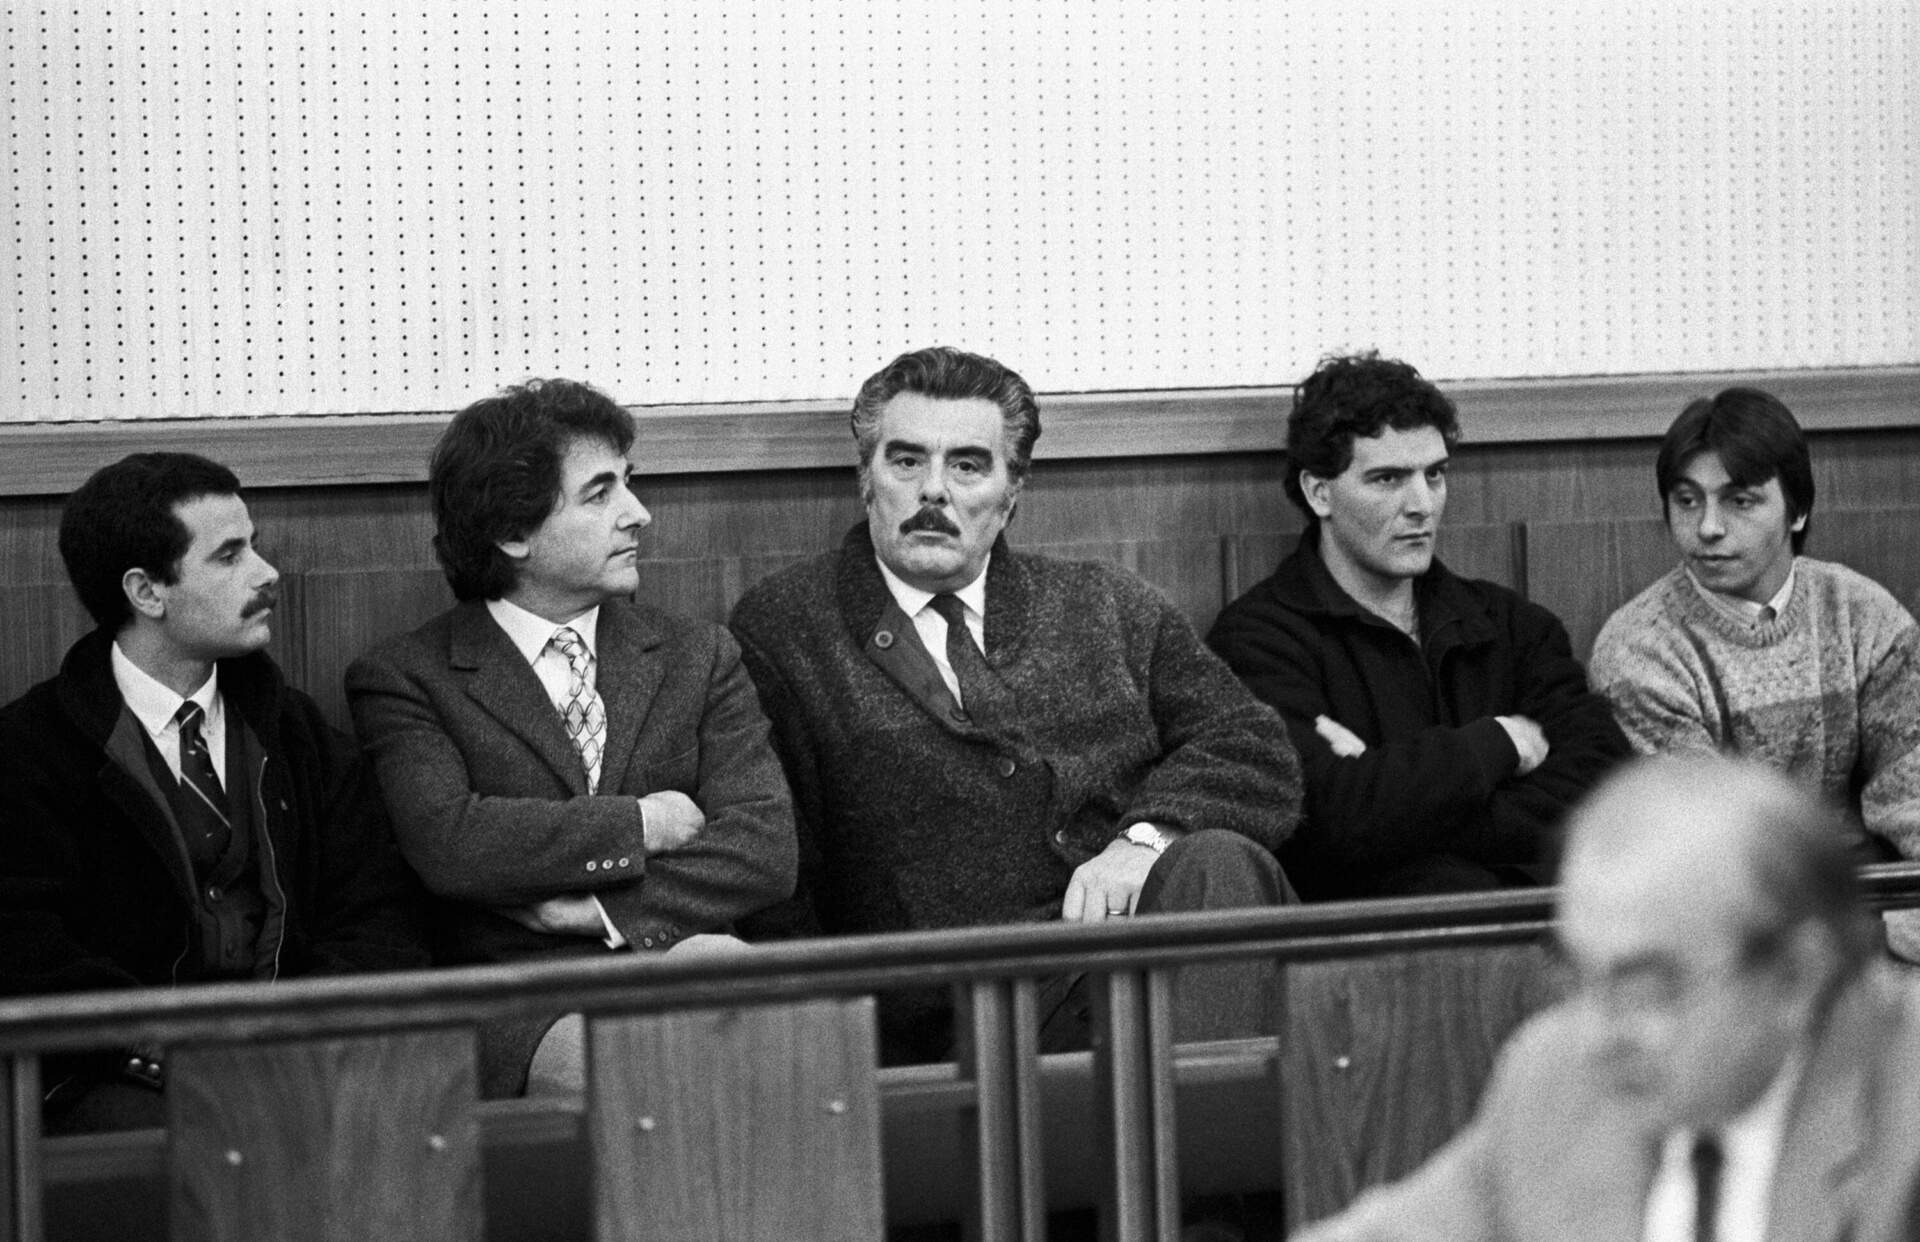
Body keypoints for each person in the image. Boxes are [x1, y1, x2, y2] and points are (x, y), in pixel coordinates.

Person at [728, 346, 1302, 1065]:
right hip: (958, 1013)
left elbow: (1253, 746)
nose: (933, 491)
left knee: (1217, 864)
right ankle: (1211, 1169)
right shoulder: (787, 630)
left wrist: (1145, 840)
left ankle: (1197, 1160)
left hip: (1137, 957)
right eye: (906, 462)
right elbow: (781, 875)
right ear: (866, 481)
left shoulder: (1107, 604)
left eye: (968, 466)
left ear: (1011, 491)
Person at [346, 378, 796, 1096]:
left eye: (630, 484)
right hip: (517, 1000)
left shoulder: (699, 656)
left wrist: (603, 908)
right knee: (630, 1074)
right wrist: (642, 822)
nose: (638, 514)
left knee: (776, 1021)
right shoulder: (407, 678)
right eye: (600, 494)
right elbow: (454, 845)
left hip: (679, 955)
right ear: (514, 532)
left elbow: (765, 848)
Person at [1294, 754, 1920, 1242]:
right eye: (1582, 976)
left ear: (1796, 975)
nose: (1601, 1030)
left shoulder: (1904, 1106)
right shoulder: (1555, 1070)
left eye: (1647, 987)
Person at [0, 452, 428, 1132]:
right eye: (230, 556)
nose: (267, 574)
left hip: (300, 1059)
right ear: (147, 592)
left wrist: (300, 1035)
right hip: (113, 1079)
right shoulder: (27, 750)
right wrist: (163, 1046)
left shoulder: (300, 735)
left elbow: (376, 916)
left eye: (254, 546)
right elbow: (24, 948)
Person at [1207, 352, 1626, 899]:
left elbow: (1604, 787)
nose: (1422, 505)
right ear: (1319, 492)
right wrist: (1496, 743)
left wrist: (1403, 808)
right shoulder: (1258, 640)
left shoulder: (1513, 625)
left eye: (1435, 474)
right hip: (1369, 960)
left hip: (1542, 931)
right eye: (1387, 479)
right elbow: (1321, 823)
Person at [1590, 386, 1920, 957]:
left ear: (1797, 511)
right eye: (1688, 501)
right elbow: (1703, 849)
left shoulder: (1862, 612)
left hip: (1878, 899)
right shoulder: (1638, 649)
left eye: (1740, 501)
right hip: (1730, 929)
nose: (1708, 528)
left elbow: (1912, 793)